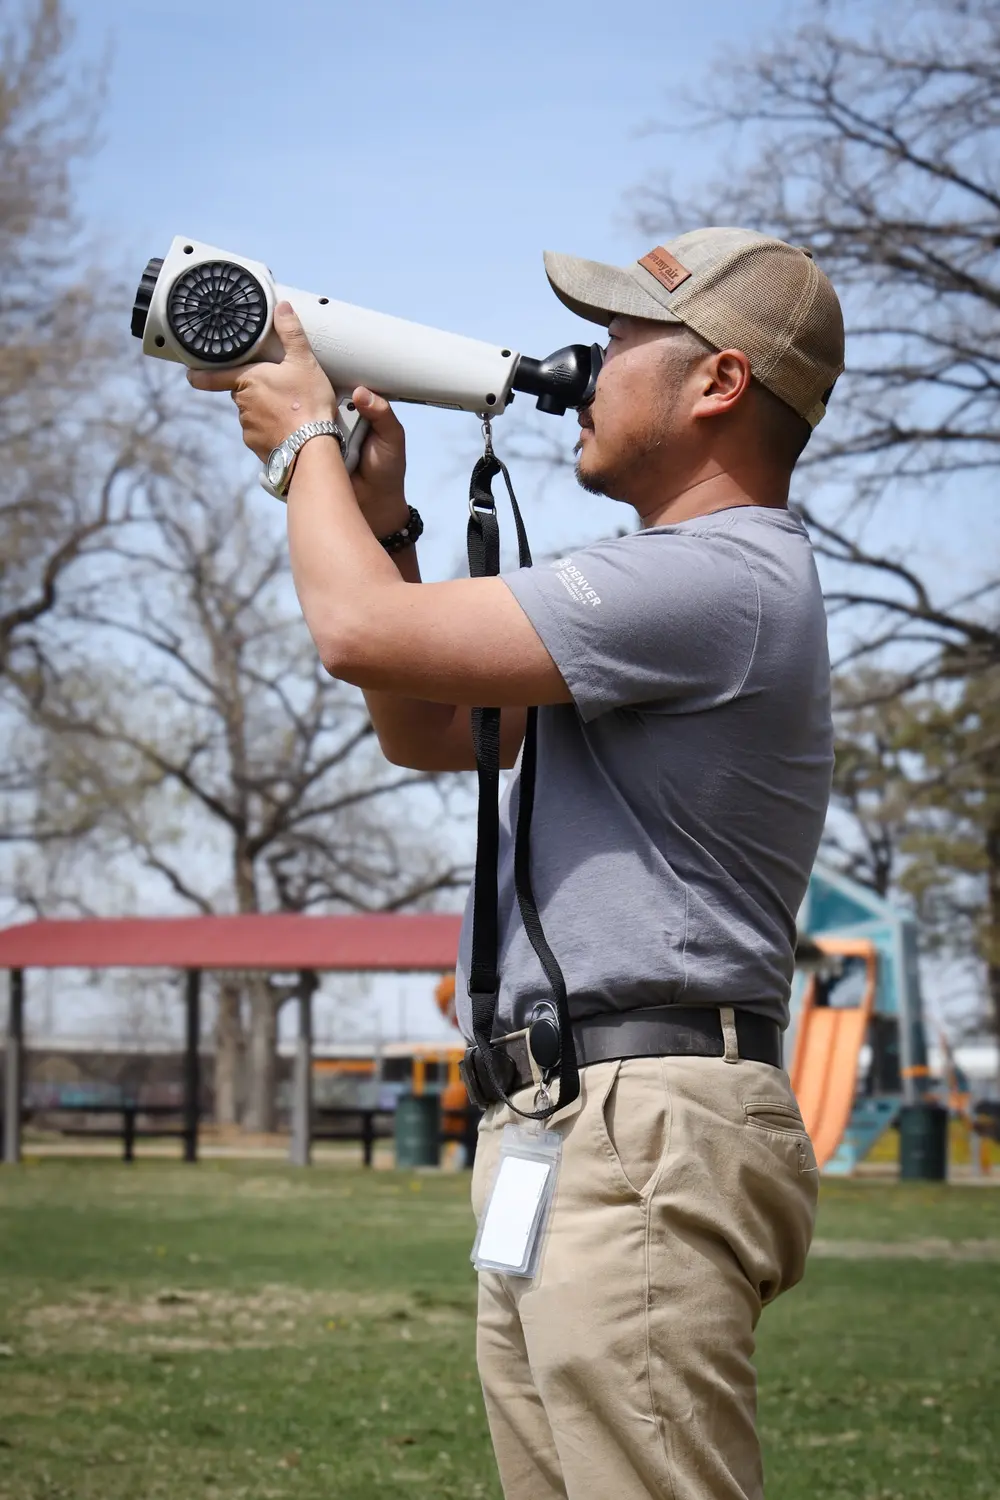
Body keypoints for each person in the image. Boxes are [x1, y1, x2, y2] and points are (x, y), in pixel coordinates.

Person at [188, 225, 845, 1500]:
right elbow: (427, 727)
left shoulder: (726, 579)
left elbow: (353, 633)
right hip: (567, 1118)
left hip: (641, 1119)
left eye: (618, 343)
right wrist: (386, 519)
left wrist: (304, 446)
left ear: (715, 384)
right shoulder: (674, 592)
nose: (583, 368)